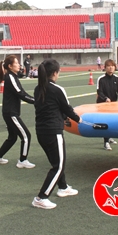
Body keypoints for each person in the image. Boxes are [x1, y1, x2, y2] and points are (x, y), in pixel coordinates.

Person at [32, 59, 81, 210]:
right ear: (55, 73)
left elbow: (53, 107)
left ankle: (63, 187)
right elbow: (67, 108)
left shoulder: (38, 88)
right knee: (58, 166)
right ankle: (41, 197)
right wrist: (78, 119)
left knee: (56, 162)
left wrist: (64, 117)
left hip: (41, 131)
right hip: (53, 131)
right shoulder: (57, 89)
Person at [0, 55, 36, 168]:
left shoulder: (13, 76)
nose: (19, 65)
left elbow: (21, 92)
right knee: (26, 136)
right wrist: (36, 101)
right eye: (16, 63)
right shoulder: (10, 77)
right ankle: (22, 160)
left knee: (12, 137)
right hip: (11, 113)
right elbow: (20, 93)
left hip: (10, 112)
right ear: (10, 66)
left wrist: (34, 100)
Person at [96, 59, 118, 151]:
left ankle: (109, 137)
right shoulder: (101, 79)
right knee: (105, 123)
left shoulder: (117, 79)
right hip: (102, 104)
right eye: (108, 66)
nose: (111, 68)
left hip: (113, 104)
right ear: (105, 67)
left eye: (112, 66)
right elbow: (99, 92)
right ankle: (106, 142)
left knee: (112, 122)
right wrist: (105, 98)